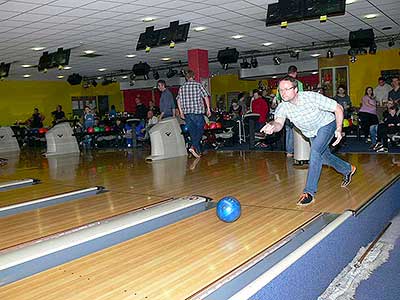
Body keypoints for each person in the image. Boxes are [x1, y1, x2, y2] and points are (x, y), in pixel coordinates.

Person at [261, 76, 356, 206]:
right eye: (280, 90)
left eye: (286, 89)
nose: (283, 93)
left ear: (295, 90)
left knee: (315, 152)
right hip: (311, 133)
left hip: (327, 124)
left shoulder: (311, 97)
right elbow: (278, 123)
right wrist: (272, 126)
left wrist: (339, 128)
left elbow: (338, 107)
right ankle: (347, 169)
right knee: (325, 157)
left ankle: (309, 192)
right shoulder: (283, 107)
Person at [176, 69, 211, 158]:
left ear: (186, 77)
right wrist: (208, 109)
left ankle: (198, 152)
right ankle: (192, 146)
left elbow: (178, 100)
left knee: (193, 133)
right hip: (197, 112)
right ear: (193, 76)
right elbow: (206, 96)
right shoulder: (198, 85)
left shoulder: (182, 87)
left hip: (187, 113)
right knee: (201, 130)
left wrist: (181, 112)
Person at [276, 65, 304, 157]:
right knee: (298, 130)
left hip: (285, 111)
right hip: (295, 110)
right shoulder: (298, 83)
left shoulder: (281, 84)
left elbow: (278, 98)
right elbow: (301, 97)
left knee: (288, 131)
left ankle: (289, 152)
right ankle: (300, 151)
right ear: (295, 73)